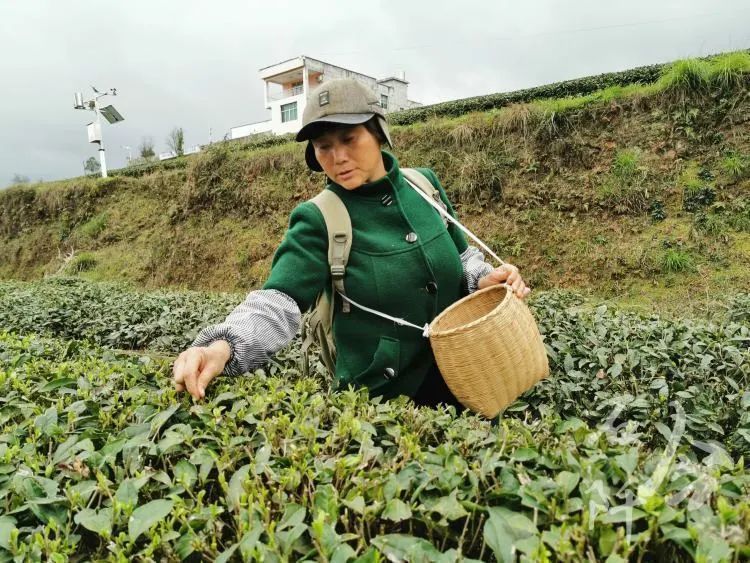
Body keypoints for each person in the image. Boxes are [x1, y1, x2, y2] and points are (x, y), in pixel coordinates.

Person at [172, 79, 530, 415]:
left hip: (470, 379)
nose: (337, 156)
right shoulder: (319, 219)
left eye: (349, 139)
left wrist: (486, 278)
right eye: (323, 146)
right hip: (383, 408)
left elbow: (463, 257)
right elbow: (278, 301)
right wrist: (222, 346)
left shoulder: (425, 186)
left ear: (378, 133)